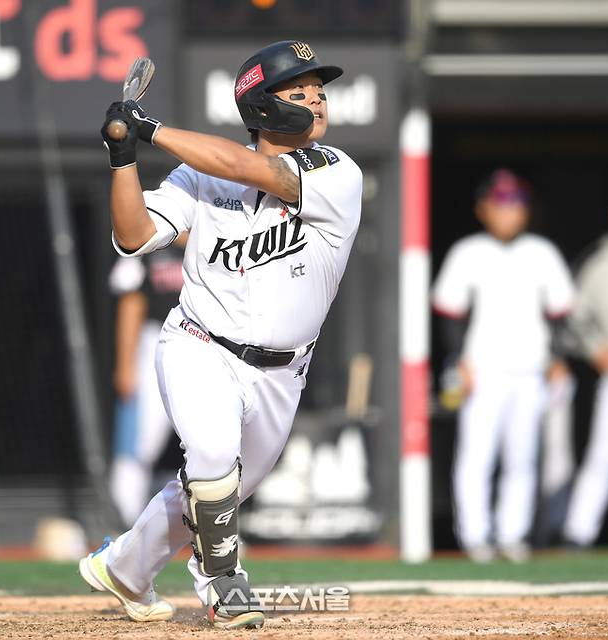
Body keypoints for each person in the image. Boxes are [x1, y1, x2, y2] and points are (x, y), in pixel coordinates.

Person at [79, 40, 362, 629]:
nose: (315, 98)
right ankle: (224, 585)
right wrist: (123, 156)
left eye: (319, 89)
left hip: (283, 373)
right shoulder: (198, 176)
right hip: (198, 344)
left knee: (206, 497)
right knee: (211, 456)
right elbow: (133, 236)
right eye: (298, 90)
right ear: (261, 106)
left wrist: (148, 127)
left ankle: (124, 570)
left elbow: (246, 167)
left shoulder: (337, 171)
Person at [432, 169, 574, 562]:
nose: (509, 213)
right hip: (483, 369)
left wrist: (557, 360)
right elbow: (451, 314)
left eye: (517, 205)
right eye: (501, 204)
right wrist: (459, 362)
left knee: (523, 457)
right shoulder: (468, 251)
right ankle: (475, 537)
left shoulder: (542, 252)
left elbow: (559, 313)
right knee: (476, 455)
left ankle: (513, 535)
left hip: (531, 369)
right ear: (483, 208)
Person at [108, 235, 187, 528]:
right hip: (156, 342)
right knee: (138, 443)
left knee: (214, 441)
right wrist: (126, 365)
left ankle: (218, 528)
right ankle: (123, 524)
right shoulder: (150, 245)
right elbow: (132, 304)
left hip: (207, 344)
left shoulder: (221, 239)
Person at [561, 197, 608, 549]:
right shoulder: (600, 264)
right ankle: (577, 535)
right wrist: (595, 348)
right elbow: (572, 319)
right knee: (604, 457)